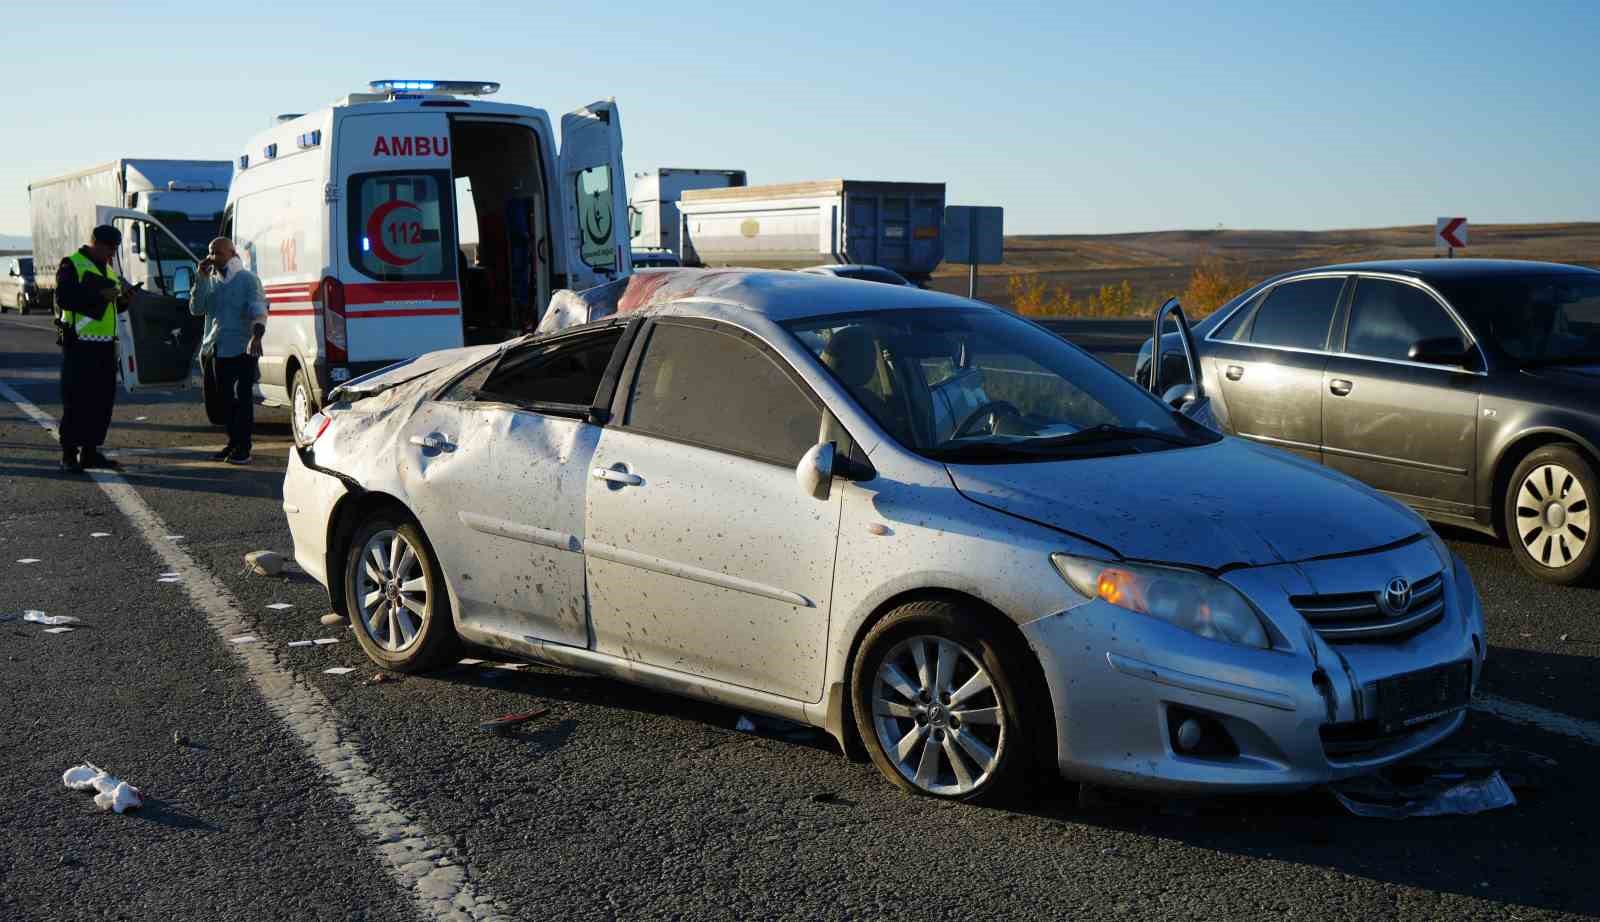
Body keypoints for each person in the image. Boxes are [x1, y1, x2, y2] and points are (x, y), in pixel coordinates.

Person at [55, 224, 131, 473]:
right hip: (79, 344)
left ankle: (90, 452)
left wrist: (123, 301)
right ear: (95, 242)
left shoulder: (108, 270)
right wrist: (100, 296)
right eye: (109, 249)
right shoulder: (72, 264)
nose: (112, 255)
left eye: (115, 250)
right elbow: (64, 299)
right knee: (76, 401)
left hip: (104, 345)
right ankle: (69, 454)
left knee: (101, 402)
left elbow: (110, 308)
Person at [190, 237, 267, 464]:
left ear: (232, 254)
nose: (213, 257)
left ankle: (244, 448)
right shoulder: (211, 280)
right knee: (225, 400)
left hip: (242, 347)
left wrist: (257, 334)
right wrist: (200, 279)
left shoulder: (248, 280)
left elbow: (258, 309)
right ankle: (233, 442)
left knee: (242, 399)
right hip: (218, 347)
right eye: (211, 252)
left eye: (218, 253)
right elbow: (196, 309)